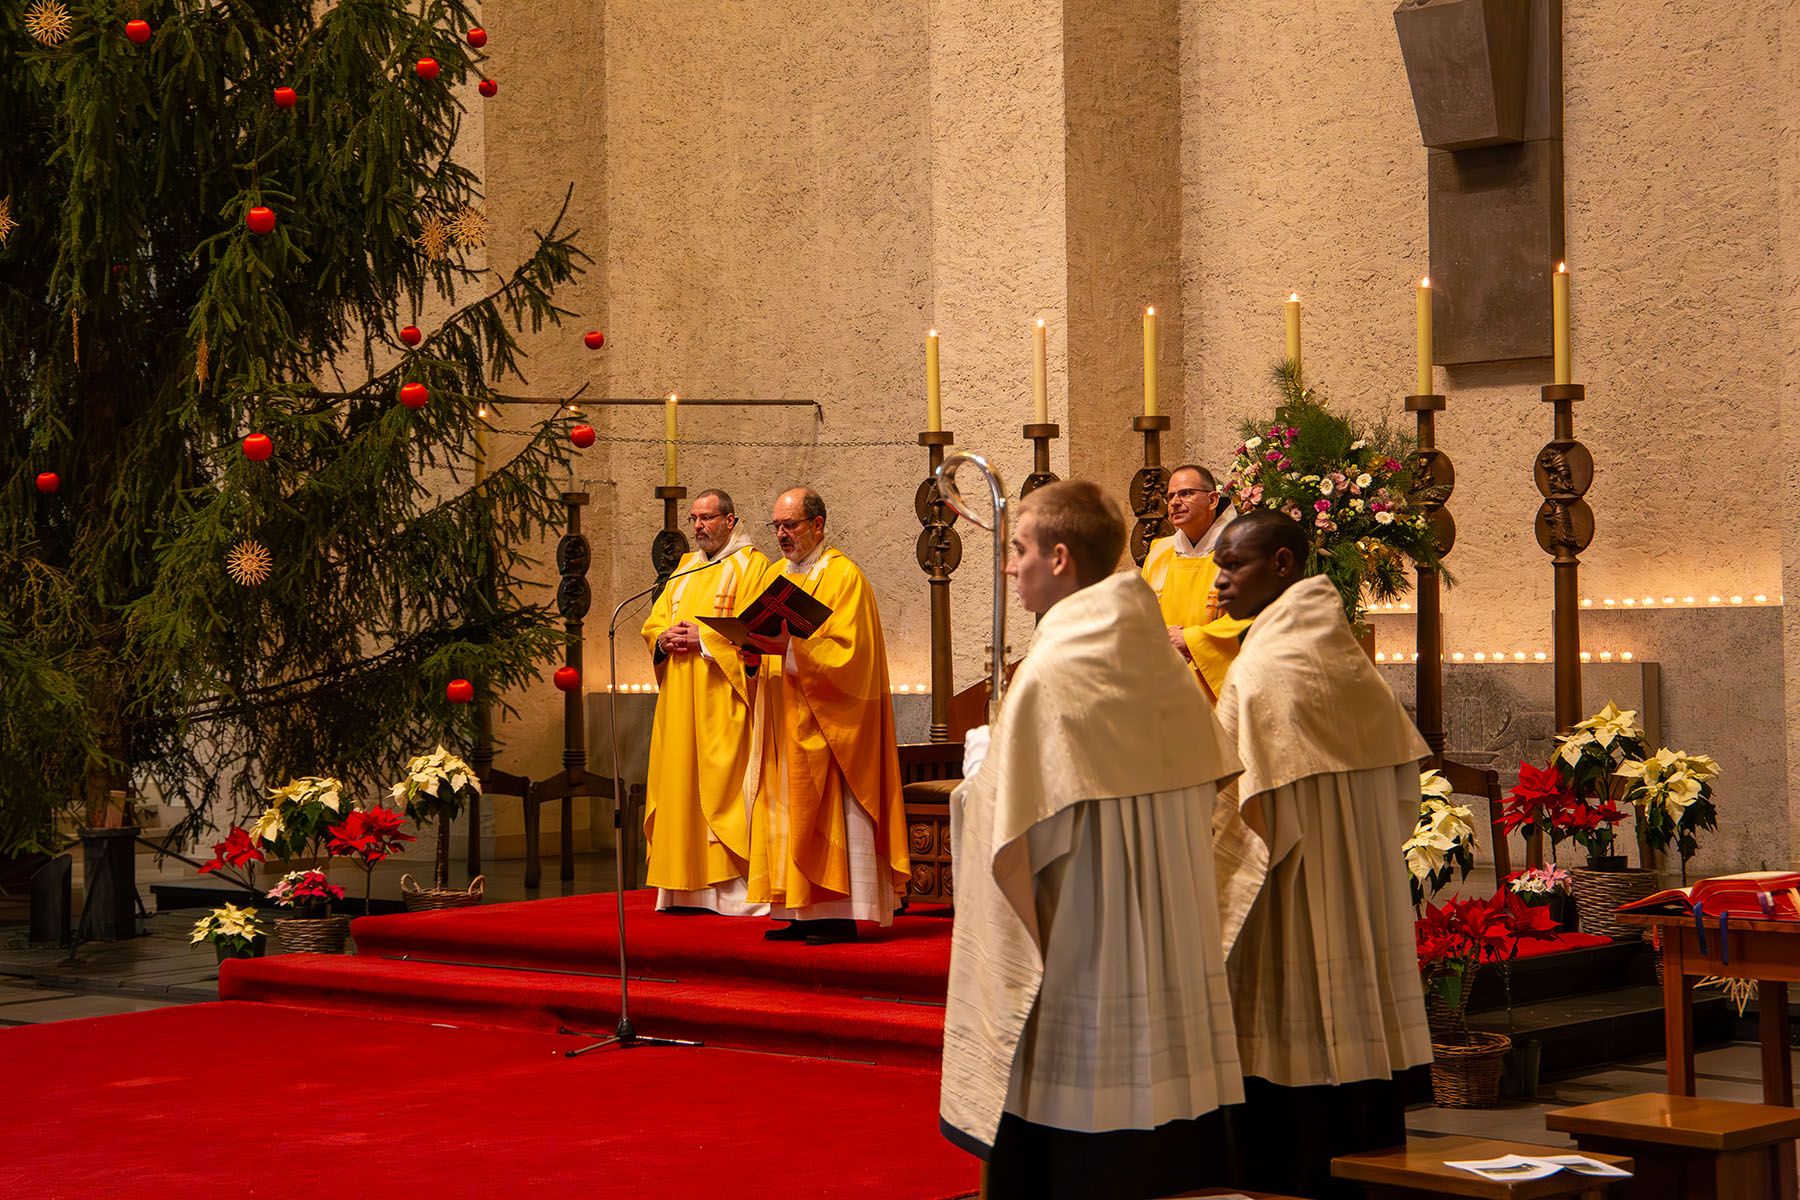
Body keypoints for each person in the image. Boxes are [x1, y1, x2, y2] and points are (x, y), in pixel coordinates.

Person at [940, 480, 1245, 1200]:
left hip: (1090, 935)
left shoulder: (1055, 669)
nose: (1010, 567)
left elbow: (1016, 833)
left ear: (1061, 557)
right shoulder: (1155, 658)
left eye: (1018, 551)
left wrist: (980, 775)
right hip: (1165, 919)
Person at [1208, 509, 1432, 1199]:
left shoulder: (1266, 670)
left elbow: (1230, 808)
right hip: (1356, 884)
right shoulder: (1341, 655)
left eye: (1233, 564)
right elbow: (1402, 792)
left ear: (1281, 565)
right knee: (1350, 1015)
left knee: (1292, 1022)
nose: (1218, 581)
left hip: (1292, 891)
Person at [739, 487, 909, 944]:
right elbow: (756, 637)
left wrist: (792, 650)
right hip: (783, 717)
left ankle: (836, 913)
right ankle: (797, 911)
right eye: (776, 525)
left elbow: (853, 655)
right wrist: (750, 651)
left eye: (790, 525)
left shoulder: (843, 577)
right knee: (784, 813)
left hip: (831, 725)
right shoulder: (774, 575)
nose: (781, 534)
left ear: (817, 525)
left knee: (832, 812)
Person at [639, 488, 770, 913]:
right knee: (679, 785)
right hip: (679, 699)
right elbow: (655, 620)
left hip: (724, 700)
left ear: (731, 521)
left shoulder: (753, 566)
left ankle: (729, 890)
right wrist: (662, 637)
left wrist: (705, 639)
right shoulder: (683, 568)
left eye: (708, 518)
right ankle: (681, 886)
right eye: (694, 519)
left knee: (722, 788)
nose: (698, 527)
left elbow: (758, 632)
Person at [1139, 464, 1251, 700]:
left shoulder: (1243, 550)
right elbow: (1139, 613)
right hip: (1164, 682)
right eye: (1170, 496)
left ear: (1212, 500)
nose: (1174, 503)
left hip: (1216, 691)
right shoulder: (1159, 551)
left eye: (1186, 493)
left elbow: (1254, 618)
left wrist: (1191, 640)